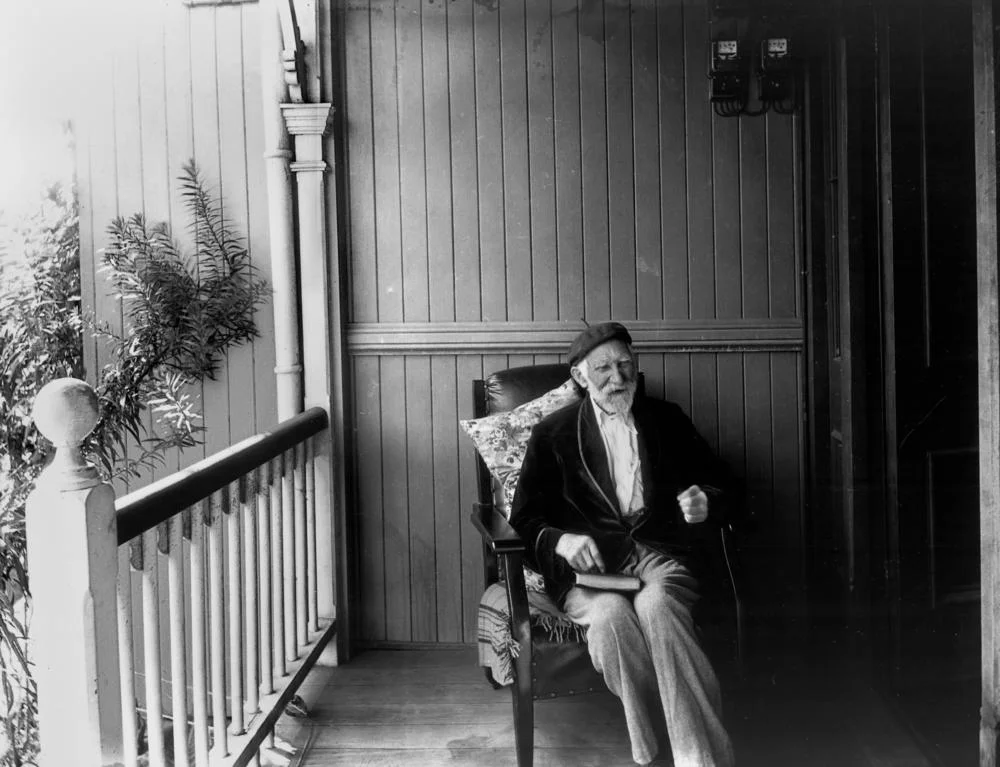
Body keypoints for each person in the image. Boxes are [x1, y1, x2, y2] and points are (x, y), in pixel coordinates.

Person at [510, 322, 736, 767]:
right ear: (579, 377)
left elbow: (724, 483)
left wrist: (705, 500)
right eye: (604, 368)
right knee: (612, 621)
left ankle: (698, 758)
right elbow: (524, 518)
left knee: (658, 608)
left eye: (626, 365)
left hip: (660, 553)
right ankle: (652, 752)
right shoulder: (552, 433)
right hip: (591, 566)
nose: (618, 377)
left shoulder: (667, 419)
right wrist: (561, 541)